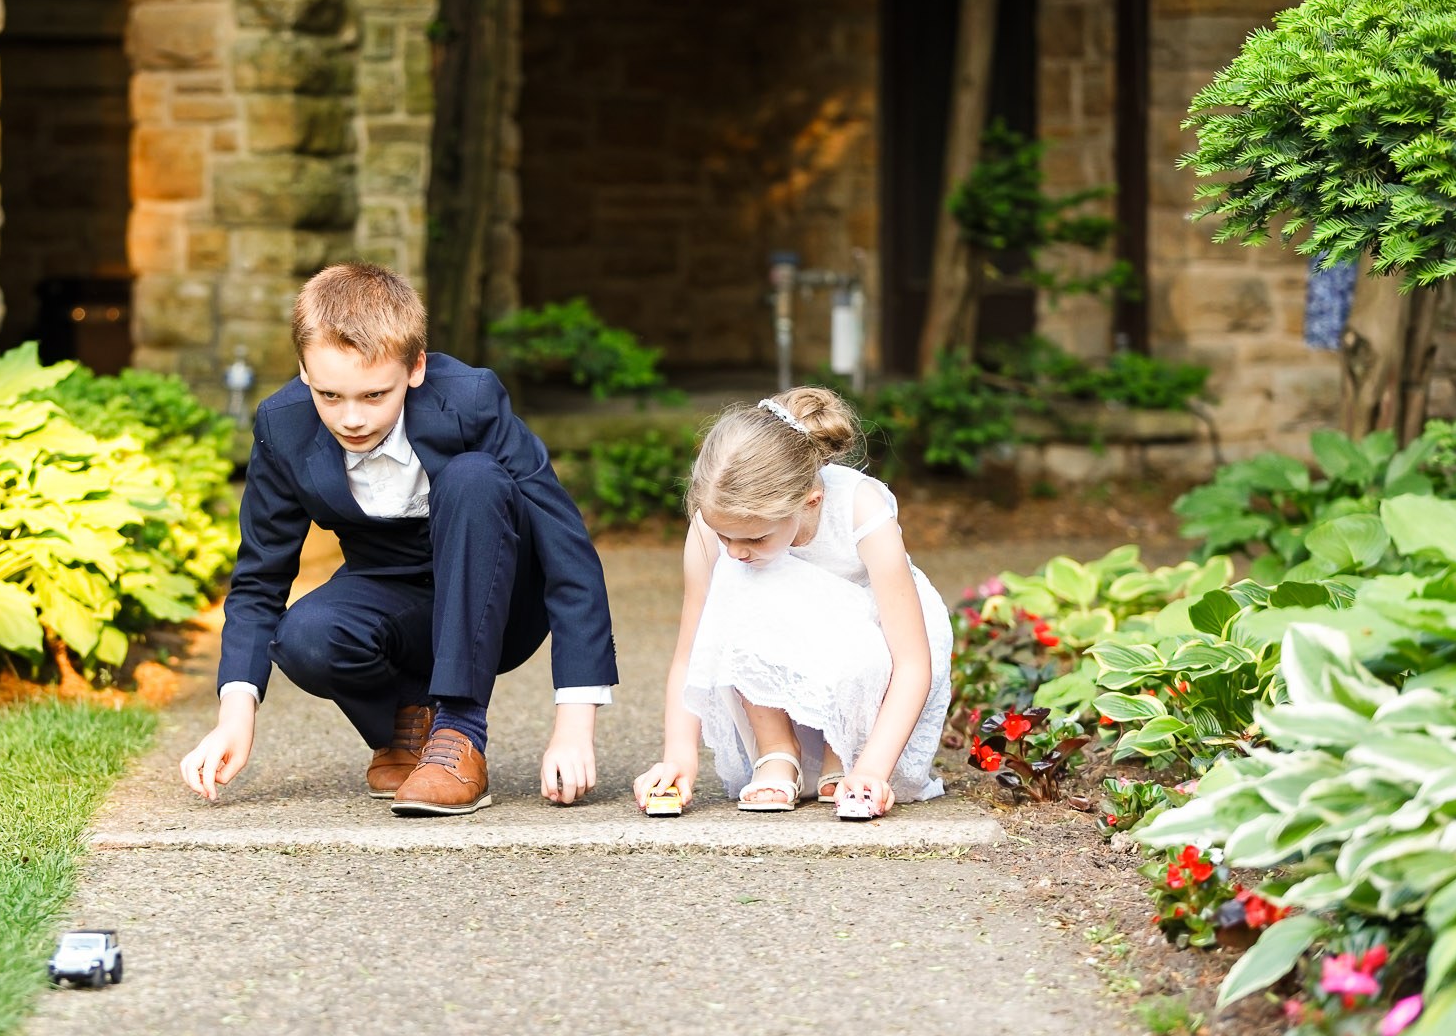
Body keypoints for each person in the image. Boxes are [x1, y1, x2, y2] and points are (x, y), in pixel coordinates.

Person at [179, 262, 619, 816]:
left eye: (373, 395)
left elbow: (567, 551)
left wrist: (575, 725)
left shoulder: (471, 400)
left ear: (415, 367)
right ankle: (409, 724)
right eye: (329, 396)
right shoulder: (281, 425)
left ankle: (459, 733)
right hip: (391, 595)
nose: (352, 418)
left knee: (473, 477)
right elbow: (259, 578)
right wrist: (234, 717)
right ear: (303, 370)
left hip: (500, 601)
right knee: (304, 635)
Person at [631, 388, 949, 819]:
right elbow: (693, 650)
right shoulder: (716, 526)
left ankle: (846, 754)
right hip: (785, 686)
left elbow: (913, 661)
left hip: (876, 675)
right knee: (739, 578)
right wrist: (678, 756)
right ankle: (777, 748)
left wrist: (874, 768)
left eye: (754, 537)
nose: (736, 549)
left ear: (809, 500)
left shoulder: (860, 508)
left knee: (766, 578)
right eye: (725, 536)